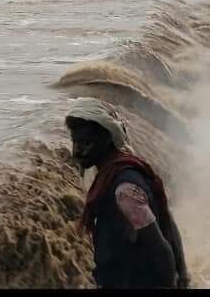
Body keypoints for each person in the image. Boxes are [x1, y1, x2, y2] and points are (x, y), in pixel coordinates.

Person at [65, 98, 190, 289]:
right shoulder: (122, 169)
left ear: (107, 139)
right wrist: (183, 273)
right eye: (75, 142)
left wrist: (176, 278)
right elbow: (169, 223)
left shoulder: (124, 191)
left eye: (85, 143)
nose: (77, 151)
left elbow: (161, 250)